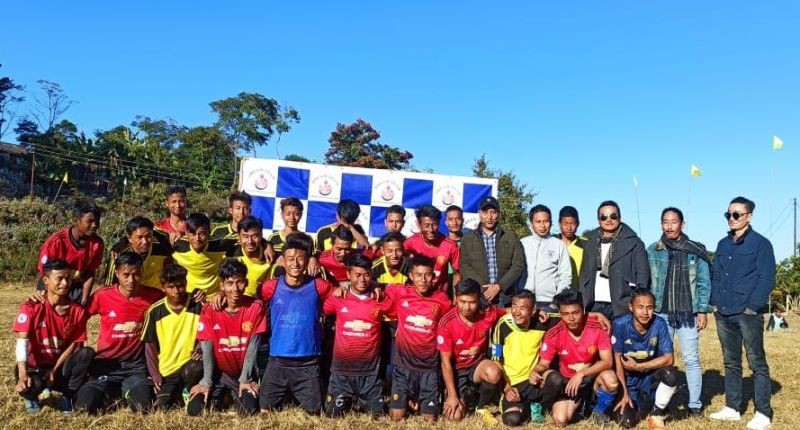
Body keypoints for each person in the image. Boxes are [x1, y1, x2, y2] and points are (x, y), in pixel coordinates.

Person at [709, 197, 776, 430]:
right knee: (731, 362)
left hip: (747, 312)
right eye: (728, 214)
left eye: (736, 214)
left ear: (749, 216)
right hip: (723, 311)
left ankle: (763, 413)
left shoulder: (761, 244)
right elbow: (716, 275)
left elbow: (767, 278)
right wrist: (715, 303)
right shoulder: (722, 244)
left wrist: (753, 307)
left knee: (756, 362)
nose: (731, 219)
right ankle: (733, 407)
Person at [73, 252, 164, 414]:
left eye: (136, 274)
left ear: (141, 272)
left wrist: (198, 297)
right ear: (117, 274)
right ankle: (110, 389)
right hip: (106, 365)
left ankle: (125, 390)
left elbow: (177, 302)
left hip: (136, 367)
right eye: (126, 275)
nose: (131, 280)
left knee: (143, 408)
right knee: (83, 407)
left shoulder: (154, 297)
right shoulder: (103, 296)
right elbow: (78, 317)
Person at [258, 233, 334, 415]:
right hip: (277, 361)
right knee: (264, 411)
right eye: (290, 259)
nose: (295, 264)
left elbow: (340, 298)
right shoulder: (270, 287)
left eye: (300, 259)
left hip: (308, 362)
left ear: (308, 261)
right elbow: (249, 303)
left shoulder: (319, 286)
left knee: (315, 413)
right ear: (282, 261)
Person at [647, 207, 711, 415]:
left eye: (673, 222)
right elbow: (647, 281)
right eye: (665, 221)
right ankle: (659, 404)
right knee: (661, 358)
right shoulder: (653, 249)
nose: (669, 226)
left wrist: (702, 310)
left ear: (682, 225)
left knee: (691, 359)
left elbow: (703, 282)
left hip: (687, 313)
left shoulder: (696, 249)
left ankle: (694, 405)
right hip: (661, 313)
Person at [187, 259, 266, 417]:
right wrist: (207, 381)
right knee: (195, 412)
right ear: (222, 285)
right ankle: (212, 393)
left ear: (246, 282)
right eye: (229, 283)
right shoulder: (210, 310)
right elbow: (207, 348)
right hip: (220, 373)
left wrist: (245, 378)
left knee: (248, 412)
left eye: (240, 282)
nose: (235, 288)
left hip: (243, 372)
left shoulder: (256, 307)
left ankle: (236, 394)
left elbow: (253, 346)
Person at [13, 259, 93, 414]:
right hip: (35, 366)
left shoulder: (78, 311)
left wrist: (53, 369)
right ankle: (33, 397)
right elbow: (22, 341)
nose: (65, 283)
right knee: (28, 386)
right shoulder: (31, 306)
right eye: (59, 279)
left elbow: (74, 344)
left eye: (68, 278)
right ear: (46, 280)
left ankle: (68, 397)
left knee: (87, 353)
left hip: (58, 366)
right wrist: (23, 371)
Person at [531, 289, 619, 426]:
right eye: (565, 314)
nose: (571, 318)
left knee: (611, 380)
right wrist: (535, 371)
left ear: (583, 310)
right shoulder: (554, 333)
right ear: (560, 313)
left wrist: (581, 374)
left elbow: (607, 362)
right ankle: (579, 407)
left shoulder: (598, 327)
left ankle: (599, 411)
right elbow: (544, 364)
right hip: (568, 384)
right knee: (560, 420)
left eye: (575, 313)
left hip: (591, 379)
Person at [321, 253, 394, 417]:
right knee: (333, 416)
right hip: (341, 372)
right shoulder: (339, 296)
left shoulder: (379, 298)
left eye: (367, 275)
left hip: (369, 374)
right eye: (357, 275)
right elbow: (325, 309)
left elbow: (396, 310)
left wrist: (377, 286)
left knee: (379, 417)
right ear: (348, 275)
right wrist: (342, 286)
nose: (362, 280)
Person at [386, 256, 453, 421]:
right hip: (403, 366)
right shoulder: (399, 292)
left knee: (429, 420)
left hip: (428, 368)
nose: (423, 280)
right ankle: (407, 400)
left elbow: (451, 323)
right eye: (418, 275)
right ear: (411, 276)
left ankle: (419, 400)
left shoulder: (442, 299)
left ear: (433, 276)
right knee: (396, 417)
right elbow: (377, 287)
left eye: (428, 275)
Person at [437, 279, 508, 425]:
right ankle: (463, 394)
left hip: (477, 366)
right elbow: (445, 363)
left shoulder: (487, 312)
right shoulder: (447, 322)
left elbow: (509, 312)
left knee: (493, 372)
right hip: (456, 371)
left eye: (472, 302)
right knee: (454, 417)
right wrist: (452, 395)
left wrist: (536, 312)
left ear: (478, 300)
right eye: (462, 301)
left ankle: (480, 407)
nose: (467, 307)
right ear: (456, 298)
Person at [611, 289, 678, 429]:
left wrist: (639, 366)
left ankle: (656, 412)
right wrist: (623, 393)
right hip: (628, 380)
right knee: (627, 423)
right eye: (640, 307)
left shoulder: (659, 323)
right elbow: (617, 360)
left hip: (649, 376)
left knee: (670, 374)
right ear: (631, 307)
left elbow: (669, 359)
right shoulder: (620, 324)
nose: (645, 312)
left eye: (649, 307)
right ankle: (635, 403)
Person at [142, 264, 203, 410]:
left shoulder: (198, 305)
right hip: (167, 370)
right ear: (163, 287)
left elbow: (208, 334)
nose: (176, 291)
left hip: (190, 365)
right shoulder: (155, 311)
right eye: (171, 287)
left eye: (180, 285)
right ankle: (176, 393)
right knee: (163, 407)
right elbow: (149, 345)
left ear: (186, 283)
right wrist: (155, 374)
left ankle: (189, 388)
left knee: (195, 368)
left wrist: (200, 349)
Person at [579, 200, 650, 320]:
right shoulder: (590, 241)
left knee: (620, 339)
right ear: (598, 220)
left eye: (613, 216)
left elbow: (642, 276)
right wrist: (583, 300)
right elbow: (584, 274)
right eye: (603, 217)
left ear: (620, 217)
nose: (608, 220)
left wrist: (635, 302)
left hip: (623, 306)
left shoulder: (635, 242)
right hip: (593, 305)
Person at [490, 290, 549, 426]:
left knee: (554, 380)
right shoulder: (503, 324)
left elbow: (568, 314)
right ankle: (527, 405)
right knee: (512, 420)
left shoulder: (542, 321)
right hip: (511, 383)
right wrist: (506, 387)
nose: (517, 312)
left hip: (533, 380)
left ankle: (536, 403)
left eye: (523, 308)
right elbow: (496, 359)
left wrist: (597, 315)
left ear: (533, 310)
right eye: (514, 306)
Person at [461, 196, 525, 306]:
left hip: (505, 297)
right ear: (479, 213)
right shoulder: (468, 238)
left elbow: (518, 265)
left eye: (493, 212)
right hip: (479, 296)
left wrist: (499, 286)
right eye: (485, 212)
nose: (489, 217)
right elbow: (465, 266)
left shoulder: (510, 236)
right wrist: (483, 287)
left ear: (499, 214)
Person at [37, 200, 104, 304]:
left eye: (97, 221)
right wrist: (52, 299)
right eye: (90, 221)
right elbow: (45, 273)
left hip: (76, 288)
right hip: (53, 287)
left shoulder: (97, 244)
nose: (94, 225)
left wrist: (84, 300)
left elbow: (90, 273)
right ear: (76, 220)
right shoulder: (56, 242)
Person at [520, 204, 572, 310]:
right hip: (523, 300)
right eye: (538, 222)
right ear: (531, 224)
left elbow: (566, 276)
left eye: (546, 221)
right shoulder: (522, 243)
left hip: (549, 302)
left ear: (551, 223)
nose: (542, 225)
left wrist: (556, 302)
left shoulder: (559, 245)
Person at [172, 213, 236, 297]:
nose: (197, 238)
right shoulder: (177, 246)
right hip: (189, 296)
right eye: (193, 233)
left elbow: (240, 239)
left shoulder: (221, 245)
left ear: (209, 232)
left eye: (201, 233)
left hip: (215, 297)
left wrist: (222, 292)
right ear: (186, 232)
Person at [404, 205, 461, 294]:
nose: (431, 229)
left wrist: (456, 299)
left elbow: (457, 274)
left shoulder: (450, 245)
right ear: (419, 225)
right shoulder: (409, 243)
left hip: (440, 296)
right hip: (414, 296)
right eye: (426, 225)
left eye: (434, 225)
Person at [106, 216, 173, 290]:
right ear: (129, 239)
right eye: (139, 237)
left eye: (148, 236)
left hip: (155, 295)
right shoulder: (119, 255)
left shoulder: (162, 251)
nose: (145, 242)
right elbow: (110, 287)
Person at [230, 216, 272, 297]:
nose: (250, 241)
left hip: (261, 304)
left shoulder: (271, 255)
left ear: (261, 235)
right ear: (239, 236)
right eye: (245, 236)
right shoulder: (231, 253)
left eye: (255, 236)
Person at [554, 206, 586, 290]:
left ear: (578, 224)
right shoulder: (551, 243)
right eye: (565, 223)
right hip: (554, 294)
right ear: (559, 224)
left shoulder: (585, 244)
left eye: (572, 223)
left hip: (578, 295)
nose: (569, 228)